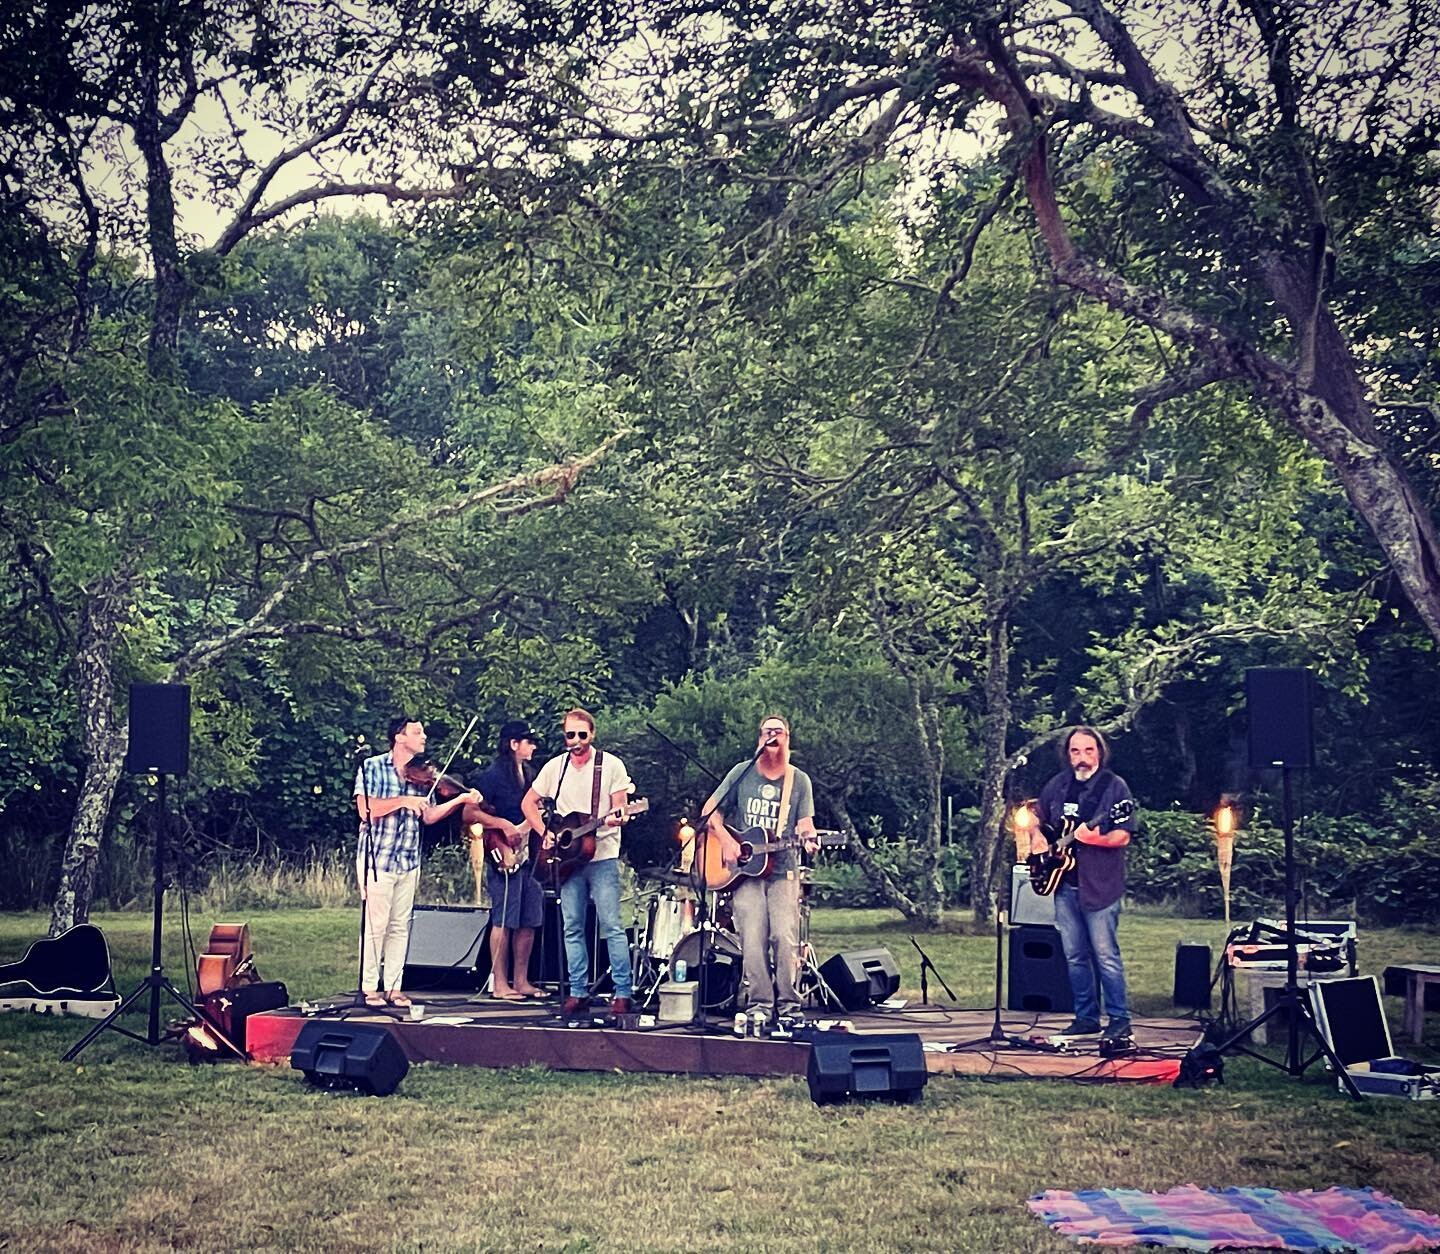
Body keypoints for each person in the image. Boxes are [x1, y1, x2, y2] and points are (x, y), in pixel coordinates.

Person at [355, 716, 481, 1009]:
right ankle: (370, 987)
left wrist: (461, 800)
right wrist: (402, 801)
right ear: (399, 737)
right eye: (417, 732)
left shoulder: (420, 774)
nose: (423, 736)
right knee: (376, 925)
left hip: (408, 858)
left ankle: (394, 987)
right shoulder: (373, 766)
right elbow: (366, 809)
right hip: (379, 857)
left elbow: (428, 815)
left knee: (400, 925)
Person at [521, 708, 635, 1020]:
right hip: (566, 860)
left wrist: (618, 816)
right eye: (570, 735)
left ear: (592, 735)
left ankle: (622, 992)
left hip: (603, 856)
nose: (576, 741)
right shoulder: (555, 767)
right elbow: (528, 802)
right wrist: (542, 832)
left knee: (611, 925)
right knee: (571, 925)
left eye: (581, 735)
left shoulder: (610, 765)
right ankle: (577, 991)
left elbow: (621, 808)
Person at [706, 715, 818, 1028]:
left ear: (788, 738)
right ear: (759, 738)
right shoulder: (742, 773)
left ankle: (789, 1007)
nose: (773, 736)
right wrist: (727, 841)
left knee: (783, 936)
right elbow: (709, 811)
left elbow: (805, 824)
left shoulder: (799, 781)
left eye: (778, 732)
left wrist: (809, 838)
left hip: (783, 872)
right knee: (752, 939)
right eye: (768, 731)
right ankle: (759, 1004)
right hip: (745, 873)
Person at [1029, 726, 1135, 1042]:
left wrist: (1095, 839)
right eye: (1075, 751)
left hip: (1100, 886)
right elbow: (1035, 814)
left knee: (1105, 955)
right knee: (1074, 956)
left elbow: (1123, 834)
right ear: (1068, 754)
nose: (1082, 758)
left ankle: (1119, 1019)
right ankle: (1086, 1017)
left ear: (1100, 752)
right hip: (1064, 884)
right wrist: (1035, 836)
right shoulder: (1058, 785)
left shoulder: (1114, 789)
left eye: (1089, 751)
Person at [470, 720, 546, 1001]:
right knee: (504, 917)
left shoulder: (531, 774)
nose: (533, 746)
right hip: (503, 852)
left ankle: (521, 980)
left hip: (531, 853)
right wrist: (503, 824)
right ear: (514, 744)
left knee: (529, 917)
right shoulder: (492, 776)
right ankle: (500, 983)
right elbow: (470, 813)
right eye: (528, 741)